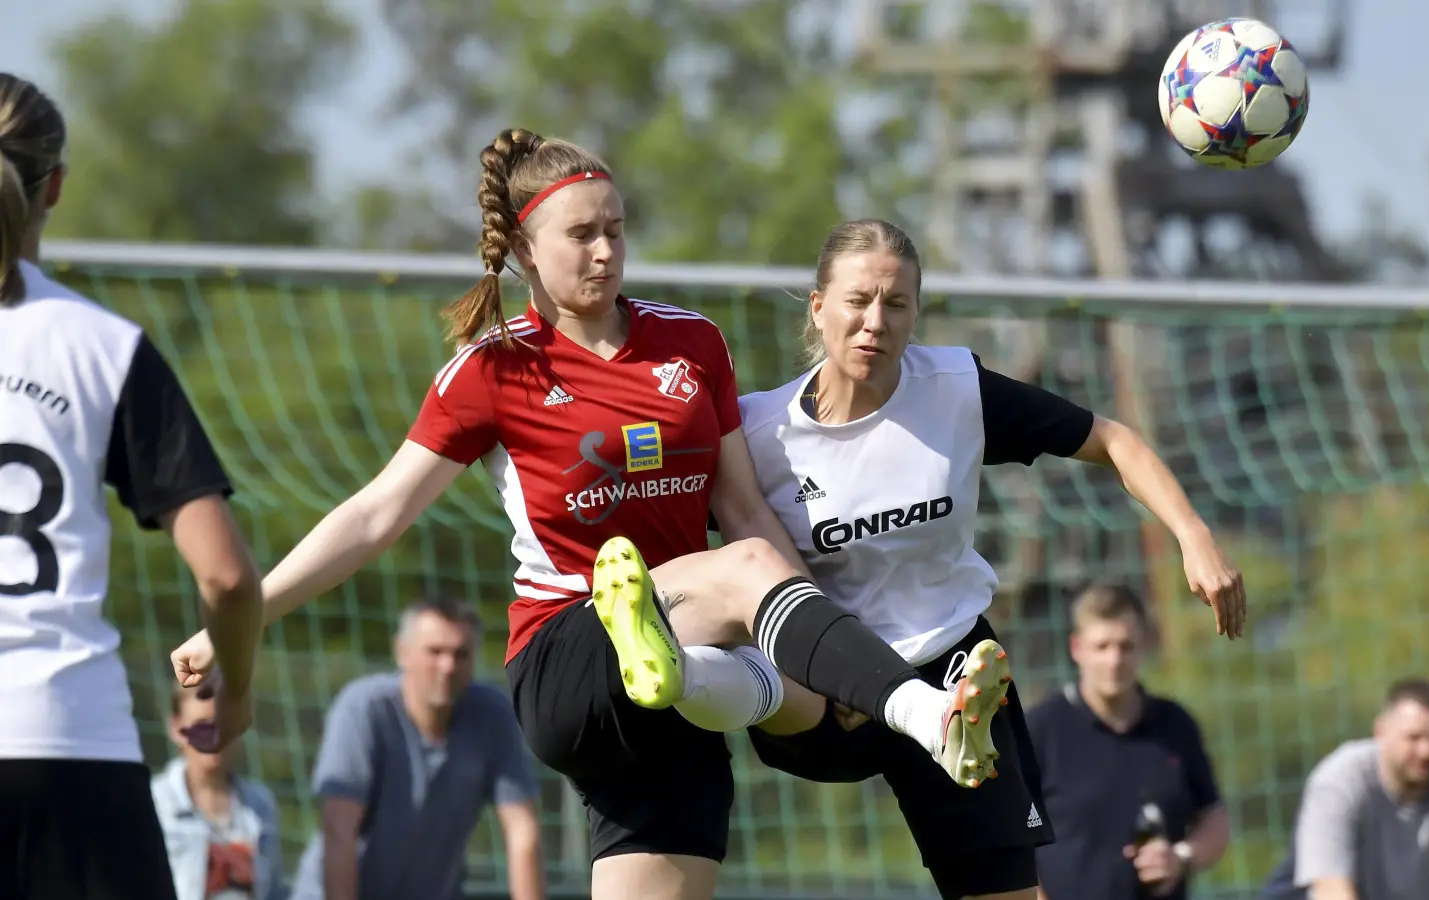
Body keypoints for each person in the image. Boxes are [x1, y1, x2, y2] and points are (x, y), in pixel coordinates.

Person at [168, 129, 999, 900]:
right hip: (571, 651)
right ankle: (926, 712)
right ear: (525, 248)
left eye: (616, 229)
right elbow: (373, 516)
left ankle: (702, 674)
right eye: (581, 234)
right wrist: (238, 620)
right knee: (748, 577)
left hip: (677, 677)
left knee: (801, 693)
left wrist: (834, 651)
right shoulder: (494, 369)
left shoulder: (692, 344)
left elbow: (745, 509)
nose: (606, 251)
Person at [714, 218, 1246, 900]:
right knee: (743, 668)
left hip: (953, 673)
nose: (875, 321)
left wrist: (1194, 536)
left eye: (896, 303)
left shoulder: (956, 390)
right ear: (818, 307)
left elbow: (1112, 440)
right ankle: (691, 676)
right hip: (823, 682)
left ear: (915, 313)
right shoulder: (758, 432)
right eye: (858, 300)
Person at [0, 72, 265, 900]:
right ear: (55, 187)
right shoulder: (102, 347)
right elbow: (227, 577)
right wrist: (238, 690)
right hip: (71, 744)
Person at [289, 598, 544, 900]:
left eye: (461, 654)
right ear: (402, 652)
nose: (448, 666)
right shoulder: (364, 709)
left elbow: (521, 830)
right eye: (435, 652)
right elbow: (339, 829)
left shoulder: (492, 714)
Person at [1027, 583, 1230, 900]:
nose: (1115, 660)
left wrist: (1180, 858)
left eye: (1126, 646)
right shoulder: (1041, 729)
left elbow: (1214, 818)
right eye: (1102, 647)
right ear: (1077, 648)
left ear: (1144, 644)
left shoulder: (1174, 725)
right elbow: (1011, 836)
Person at [1259, 677, 1429, 900]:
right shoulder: (1341, 780)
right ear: (1380, 732)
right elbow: (1330, 891)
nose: (1426, 751)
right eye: (1414, 737)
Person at [152, 684, 288, 900]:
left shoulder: (260, 805)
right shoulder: (153, 805)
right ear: (176, 728)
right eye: (201, 724)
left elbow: (275, 892)